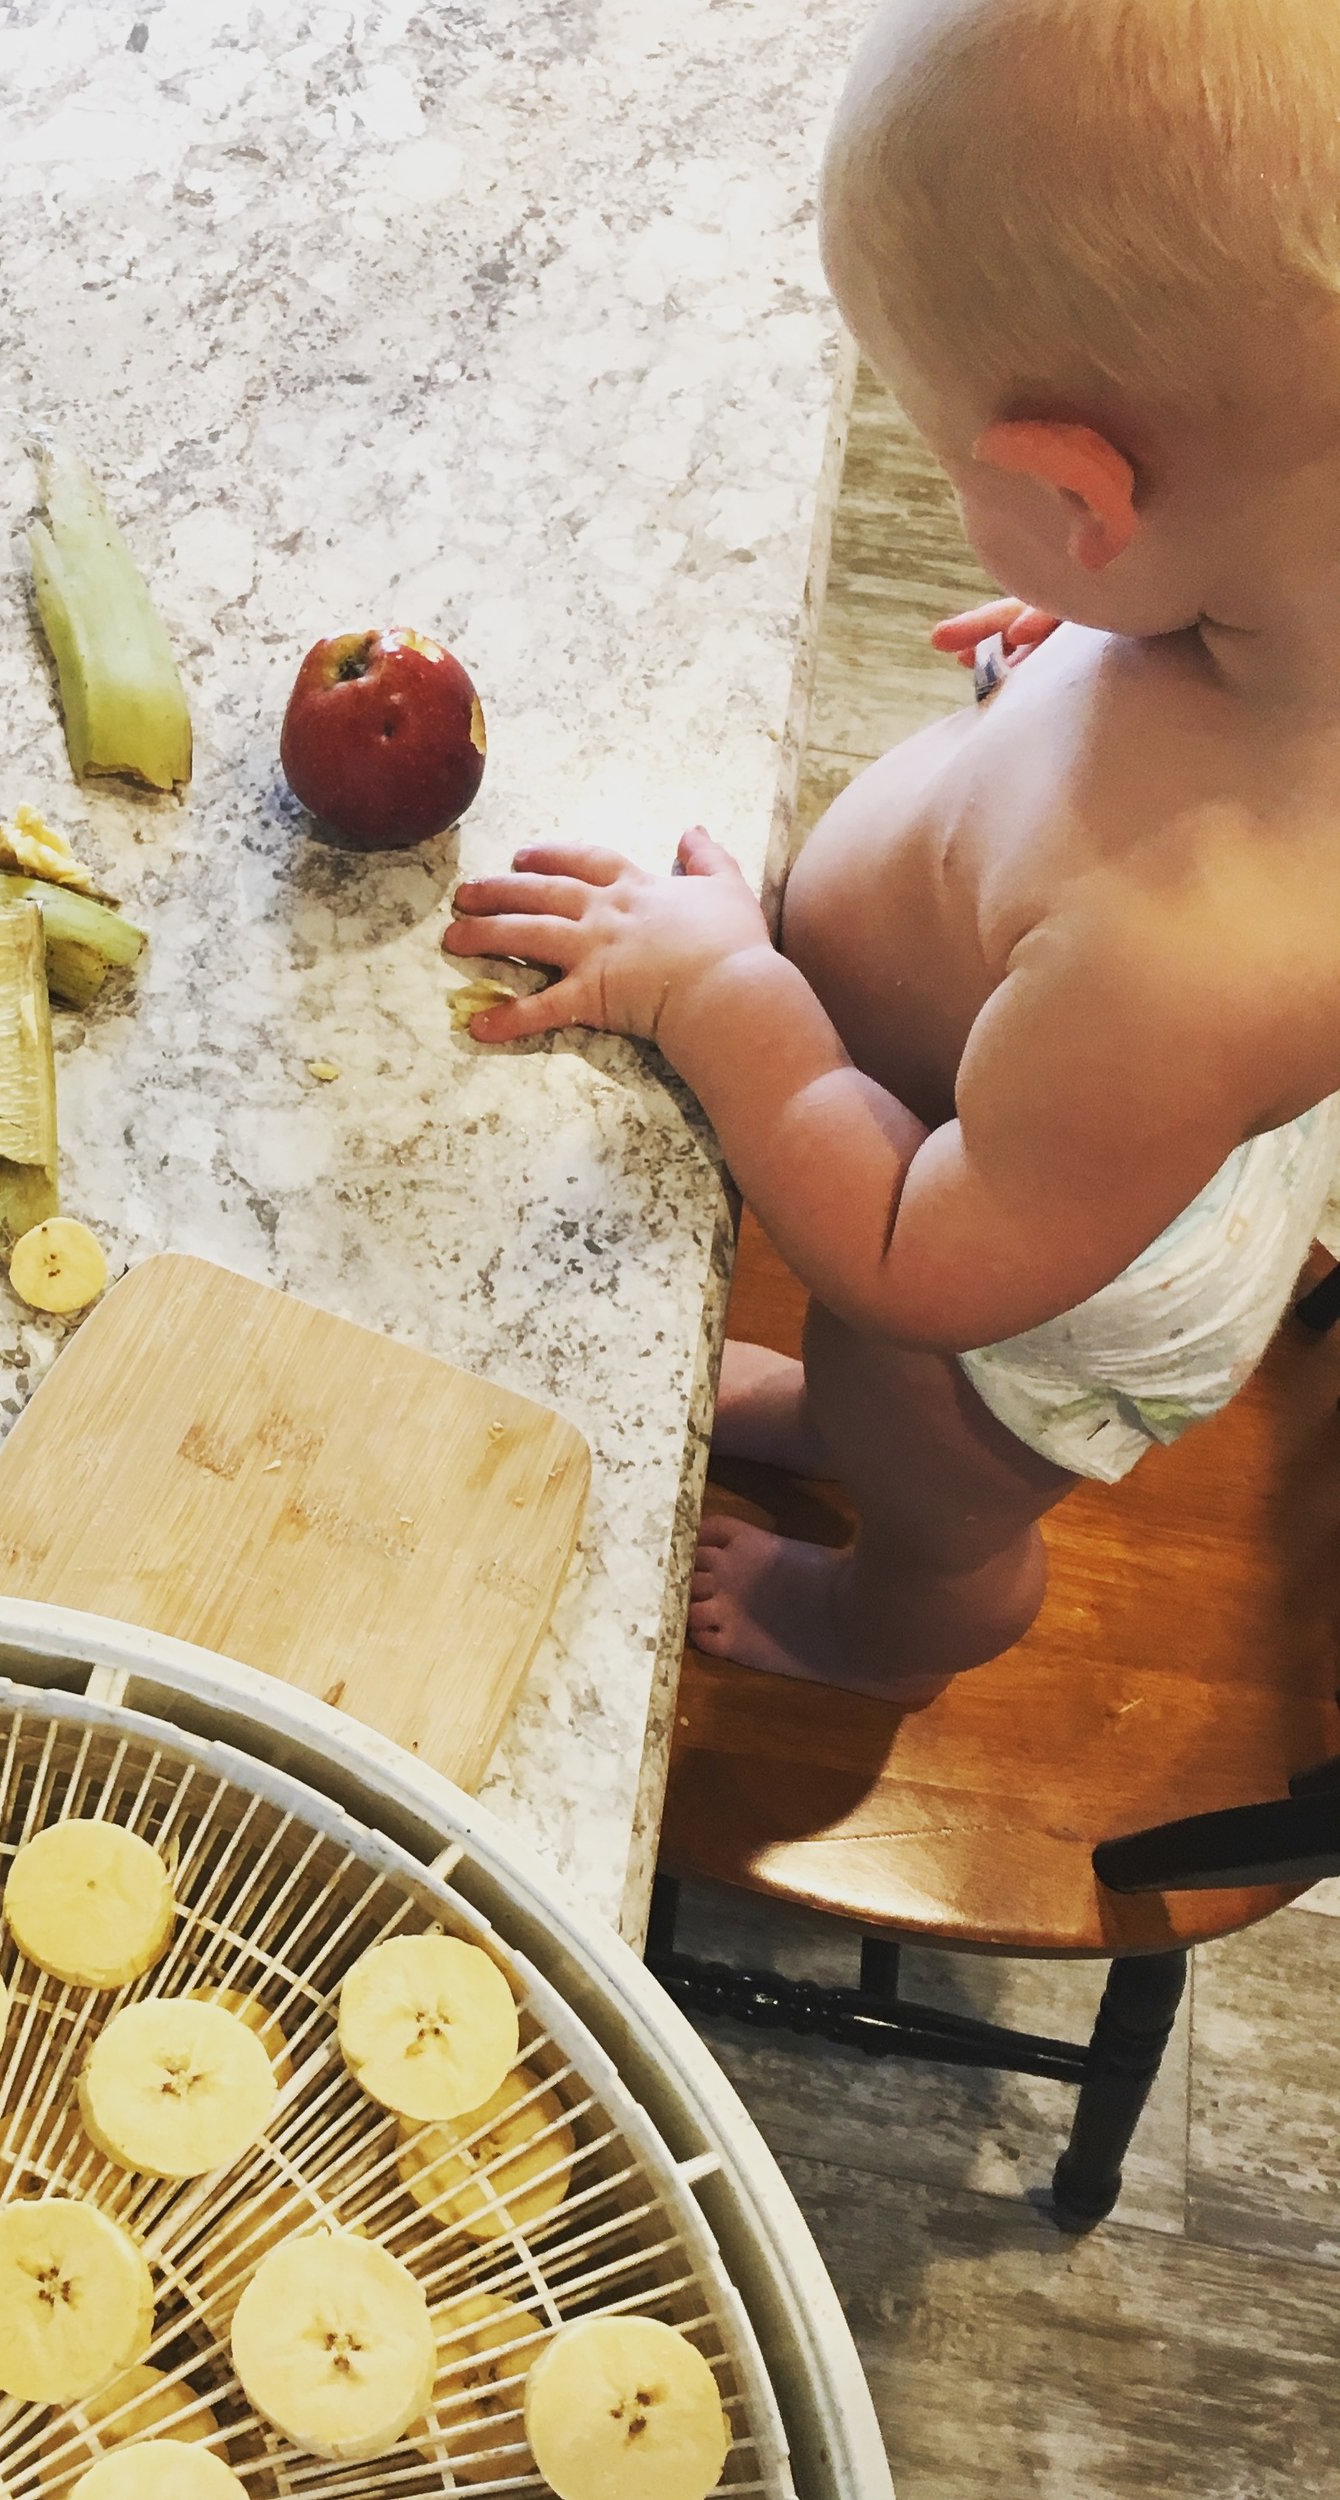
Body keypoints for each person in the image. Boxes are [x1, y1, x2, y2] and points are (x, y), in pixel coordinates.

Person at [444, 0, 1340, 1705]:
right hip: (1061, 1122)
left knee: (916, 1442)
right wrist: (1101, 625)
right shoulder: (1284, 598)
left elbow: (921, 1262)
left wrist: (726, 995)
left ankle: (890, 1623)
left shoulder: (1182, 951)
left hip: (1017, 1304)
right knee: (847, 1378)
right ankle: (820, 1413)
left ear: (1088, 497)